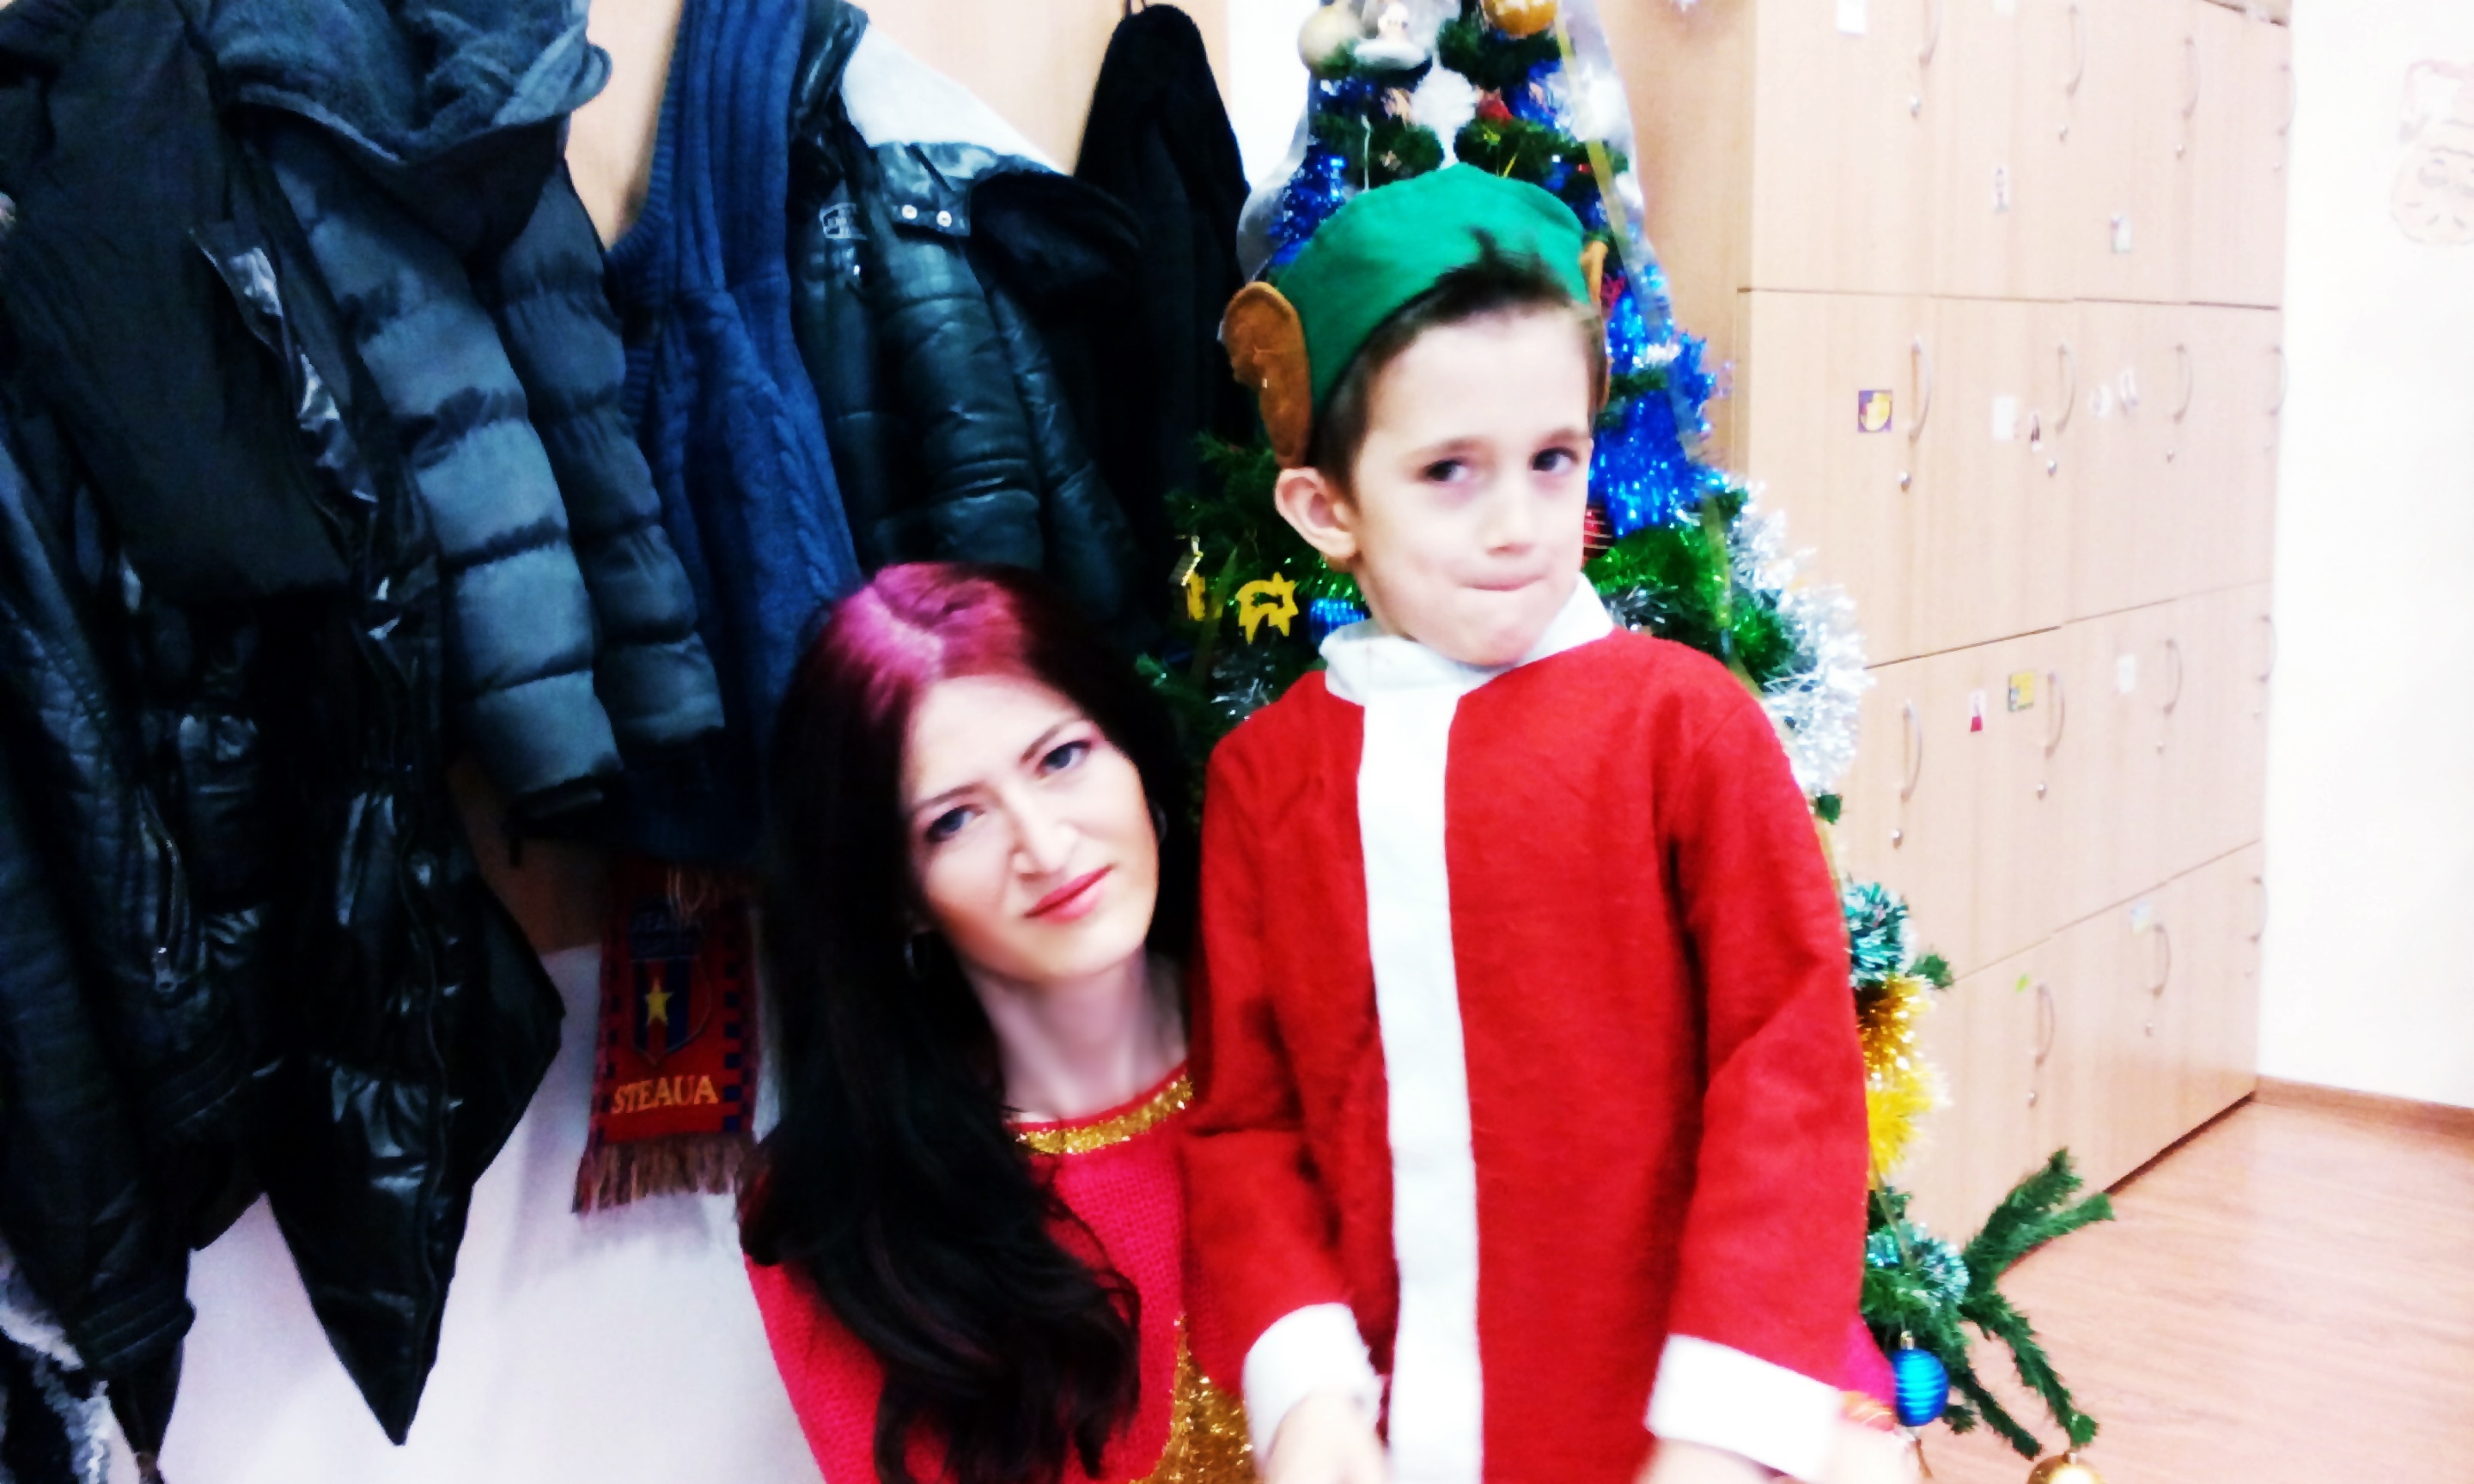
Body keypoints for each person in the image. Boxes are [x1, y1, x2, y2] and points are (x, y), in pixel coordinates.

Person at [1185, 164, 1892, 1484]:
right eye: (1448, 471)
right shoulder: (1268, 779)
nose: (1518, 525)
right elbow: (1247, 1123)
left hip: (1662, 1437)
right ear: (1326, 507)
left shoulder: (1685, 727)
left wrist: (1723, 1425)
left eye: (1552, 460)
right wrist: (1307, 1392)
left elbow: (1787, 1070)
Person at [740, 562, 1252, 1484]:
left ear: (1134, 754)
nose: (1046, 848)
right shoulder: (844, 1217)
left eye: (1062, 759)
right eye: (955, 821)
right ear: (896, 896)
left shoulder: (1315, 1029)